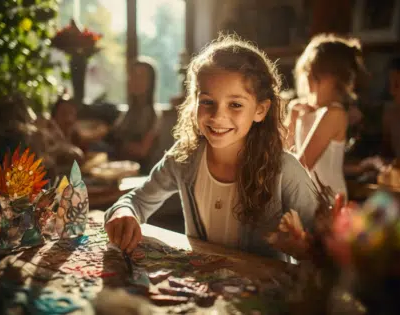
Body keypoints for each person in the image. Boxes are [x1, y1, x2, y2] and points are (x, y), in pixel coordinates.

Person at [104, 35, 318, 260]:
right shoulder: (183, 157)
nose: (218, 116)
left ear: (260, 110)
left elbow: (323, 250)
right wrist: (123, 213)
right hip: (202, 291)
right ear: (194, 101)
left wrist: (304, 248)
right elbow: (135, 200)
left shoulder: (285, 169)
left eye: (235, 105)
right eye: (207, 102)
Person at [285, 33, 367, 200]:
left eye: (315, 74)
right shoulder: (303, 110)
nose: (308, 78)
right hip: (306, 197)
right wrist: (292, 117)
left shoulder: (334, 114)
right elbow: (282, 154)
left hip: (328, 202)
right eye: (307, 71)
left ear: (336, 79)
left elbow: (301, 166)